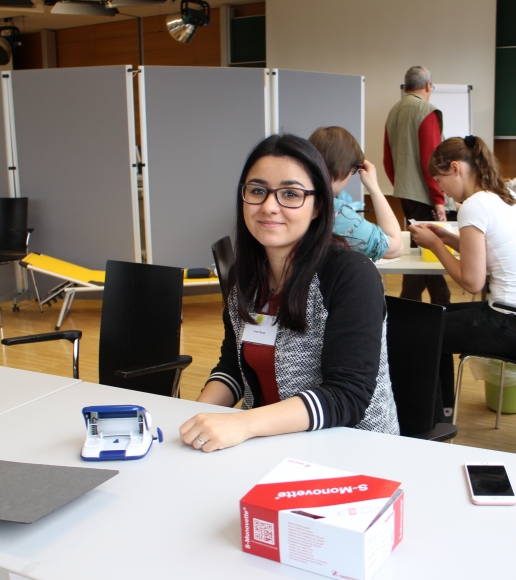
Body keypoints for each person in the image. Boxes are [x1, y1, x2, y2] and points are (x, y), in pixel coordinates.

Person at [179, 134, 399, 452]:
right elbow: (233, 367)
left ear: (317, 205)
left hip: (351, 452)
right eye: (257, 191)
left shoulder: (351, 273)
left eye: (290, 194)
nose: (269, 206)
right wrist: (193, 417)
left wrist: (244, 424)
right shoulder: (246, 276)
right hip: (264, 445)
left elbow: (347, 395)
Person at [409, 135, 516, 418]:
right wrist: (447, 237)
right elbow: (489, 254)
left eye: (439, 180)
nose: (441, 189)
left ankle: (433, 417)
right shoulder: (506, 197)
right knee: (431, 318)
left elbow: (474, 282)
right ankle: (442, 410)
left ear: (455, 168)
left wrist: (435, 245)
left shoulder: (474, 205)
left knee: (420, 331)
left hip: (511, 324)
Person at [383, 65, 450, 304]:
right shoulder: (426, 111)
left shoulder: (394, 111)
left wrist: (402, 185)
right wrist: (439, 199)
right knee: (426, 256)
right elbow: (430, 162)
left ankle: (441, 302)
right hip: (425, 195)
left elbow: (387, 160)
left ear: (406, 87)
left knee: (423, 256)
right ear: (428, 86)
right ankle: (407, 309)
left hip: (405, 194)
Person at [308, 126, 403, 261]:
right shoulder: (335, 213)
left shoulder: (294, 198)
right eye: (353, 170)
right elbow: (396, 248)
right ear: (341, 170)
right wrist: (374, 187)